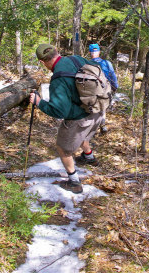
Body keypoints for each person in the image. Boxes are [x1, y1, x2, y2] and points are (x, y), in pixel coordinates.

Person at [29, 44, 103, 194]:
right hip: (99, 110)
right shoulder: (77, 59)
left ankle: (74, 182)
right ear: (58, 51)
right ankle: (89, 157)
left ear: (42, 62)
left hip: (81, 118)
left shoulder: (58, 79)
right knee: (85, 134)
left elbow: (58, 111)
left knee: (63, 148)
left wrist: (38, 102)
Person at [88, 43, 118, 133]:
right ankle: (102, 125)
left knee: (92, 108)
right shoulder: (106, 63)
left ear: (90, 52)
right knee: (103, 107)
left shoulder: (87, 63)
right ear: (99, 52)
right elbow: (112, 76)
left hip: (91, 90)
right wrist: (115, 87)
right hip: (105, 89)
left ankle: (92, 128)